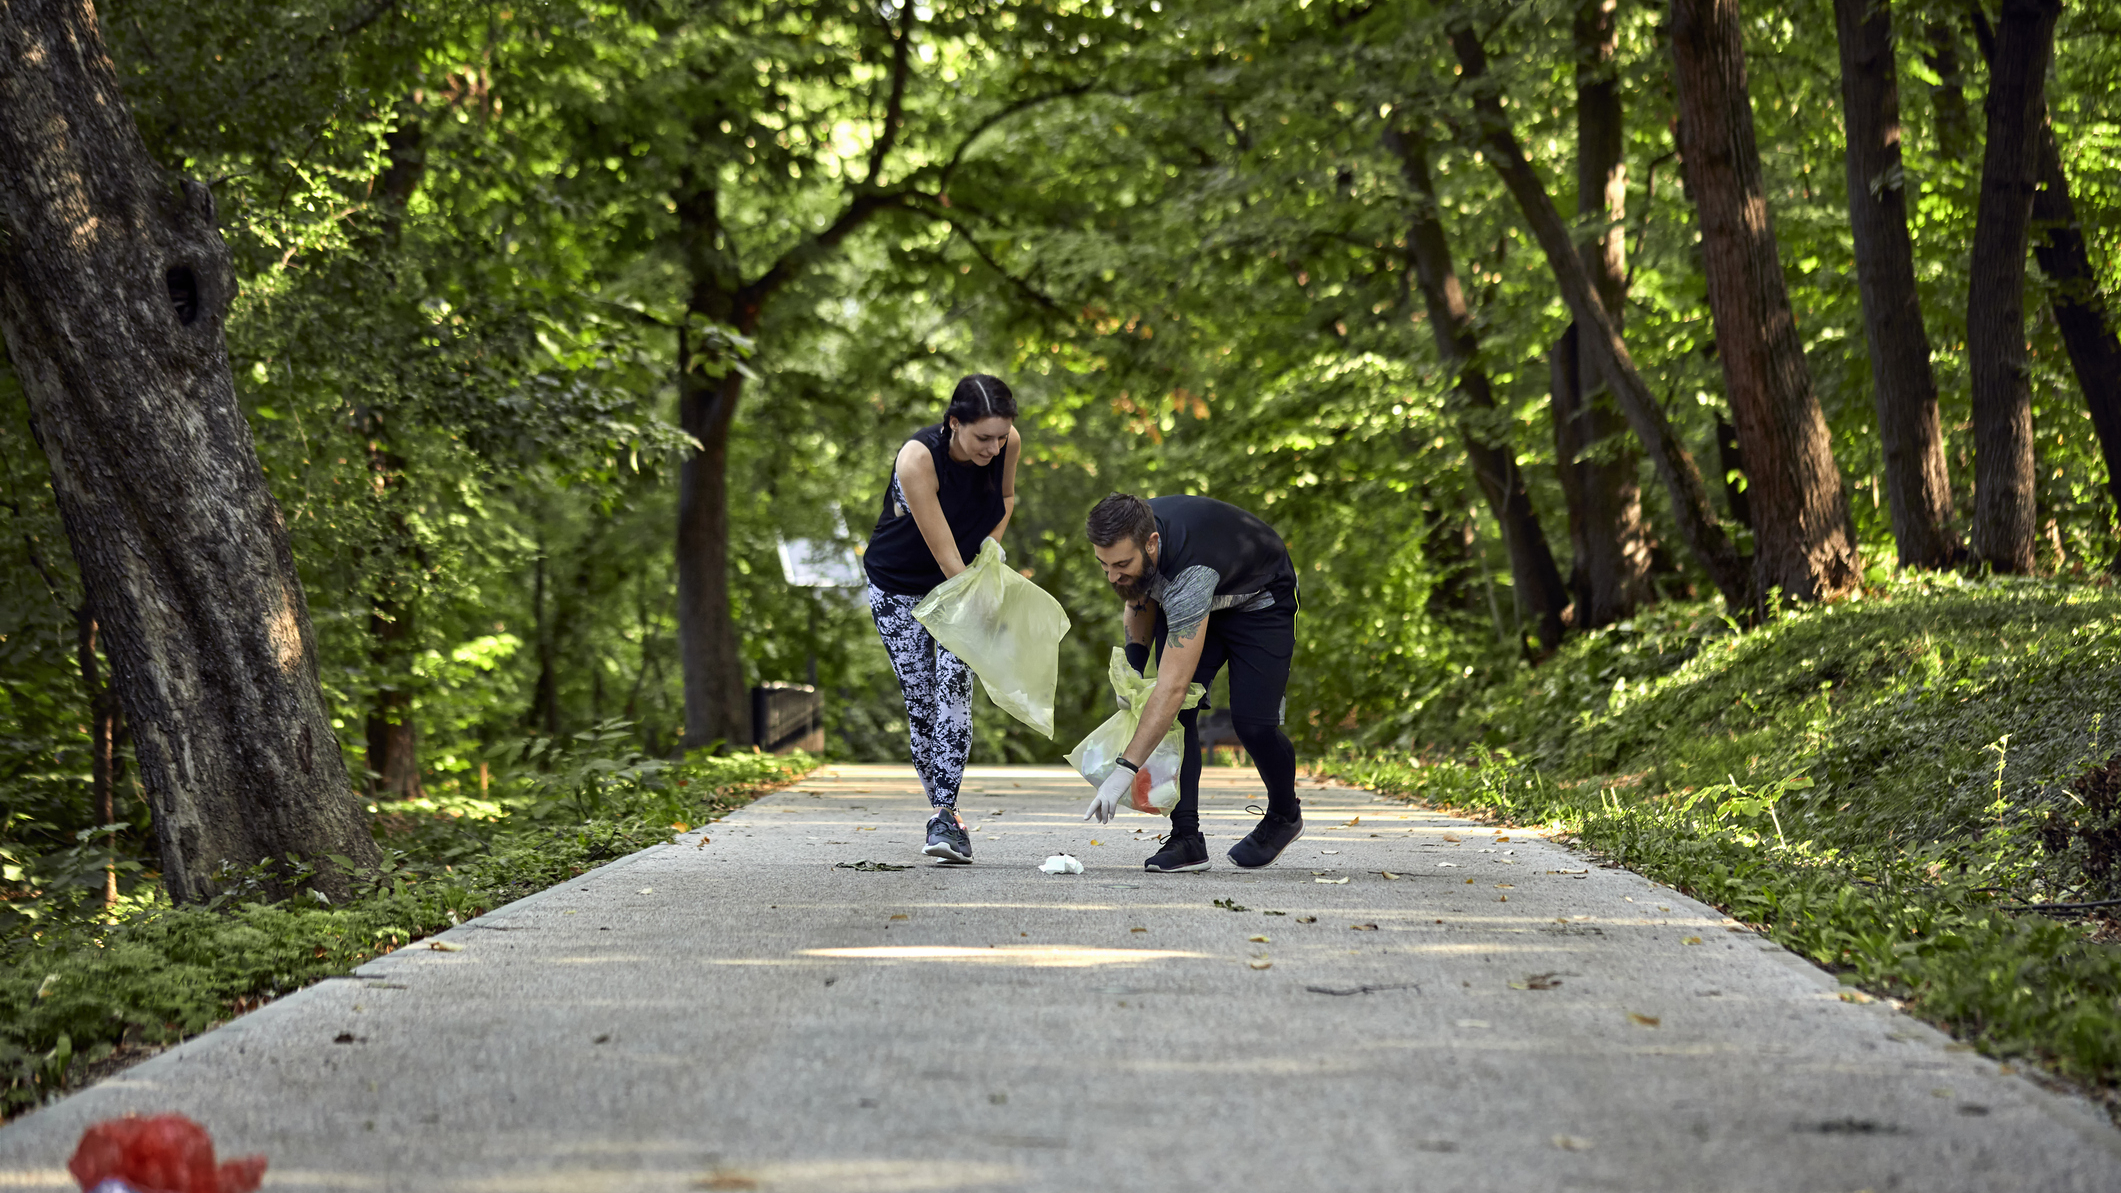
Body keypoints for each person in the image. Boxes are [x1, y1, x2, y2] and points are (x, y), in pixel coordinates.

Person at [1082, 493, 1303, 871]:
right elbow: (1140, 595)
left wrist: (1126, 768)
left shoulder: (1189, 575)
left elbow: (1172, 687)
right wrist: (1134, 668)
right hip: (1200, 595)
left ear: (1151, 544)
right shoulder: (1132, 527)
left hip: (1260, 600)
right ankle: (1186, 839)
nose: (1112, 576)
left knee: (1253, 725)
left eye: (1121, 564)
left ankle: (1285, 815)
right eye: (1104, 566)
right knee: (1182, 718)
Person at [864, 375, 1020, 864]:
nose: (994, 448)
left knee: (955, 688)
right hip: (900, 585)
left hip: (961, 578)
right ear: (954, 423)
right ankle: (943, 810)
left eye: (1001, 436)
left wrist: (990, 553)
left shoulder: (1007, 442)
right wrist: (976, 588)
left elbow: (1007, 499)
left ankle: (946, 817)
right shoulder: (917, 458)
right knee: (922, 700)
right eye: (982, 438)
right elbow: (942, 552)